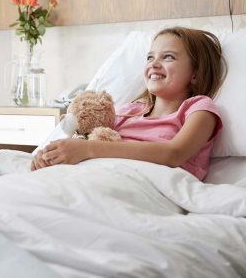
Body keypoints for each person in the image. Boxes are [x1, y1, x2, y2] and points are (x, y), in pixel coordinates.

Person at [32, 27, 226, 181]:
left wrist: (88, 150)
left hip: (145, 184)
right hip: (97, 175)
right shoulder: (127, 112)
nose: (154, 64)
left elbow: (173, 154)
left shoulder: (199, 109)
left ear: (195, 73)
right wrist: (51, 156)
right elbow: (88, 141)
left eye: (168, 57)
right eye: (150, 57)